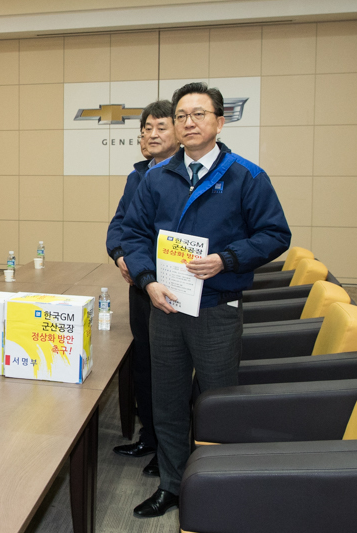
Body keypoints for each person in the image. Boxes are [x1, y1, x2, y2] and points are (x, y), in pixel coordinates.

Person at [121, 82, 290, 518]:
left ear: (220, 120)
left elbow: (275, 235)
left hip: (217, 307)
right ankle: (173, 485)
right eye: (182, 116)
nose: (189, 122)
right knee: (168, 402)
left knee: (217, 402)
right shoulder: (156, 177)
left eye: (199, 114)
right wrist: (146, 280)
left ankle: (222, 486)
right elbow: (134, 234)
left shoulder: (246, 175)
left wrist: (226, 259)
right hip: (165, 306)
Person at [106, 100, 179, 478]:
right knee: (145, 365)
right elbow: (119, 225)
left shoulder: (187, 176)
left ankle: (169, 450)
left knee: (170, 374)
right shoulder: (138, 176)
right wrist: (121, 256)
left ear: (179, 132)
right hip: (139, 287)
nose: (151, 134)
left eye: (160, 127)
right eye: (146, 128)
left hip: (170, 289)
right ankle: (149, 436)